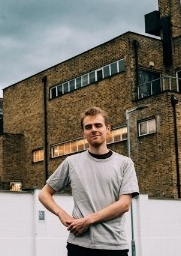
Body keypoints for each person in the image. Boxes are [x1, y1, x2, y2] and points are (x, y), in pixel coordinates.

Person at [38, 106, 139, 256]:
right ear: (83, 133)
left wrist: (88, 220)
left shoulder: (124, 163)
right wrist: (61, 214)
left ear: (108, 129)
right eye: (88, 127)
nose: (94, 130)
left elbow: (124, 204)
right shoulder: (72, 162)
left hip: (113, 246)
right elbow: (44, 194)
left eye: (98, 125)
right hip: (79, 245)